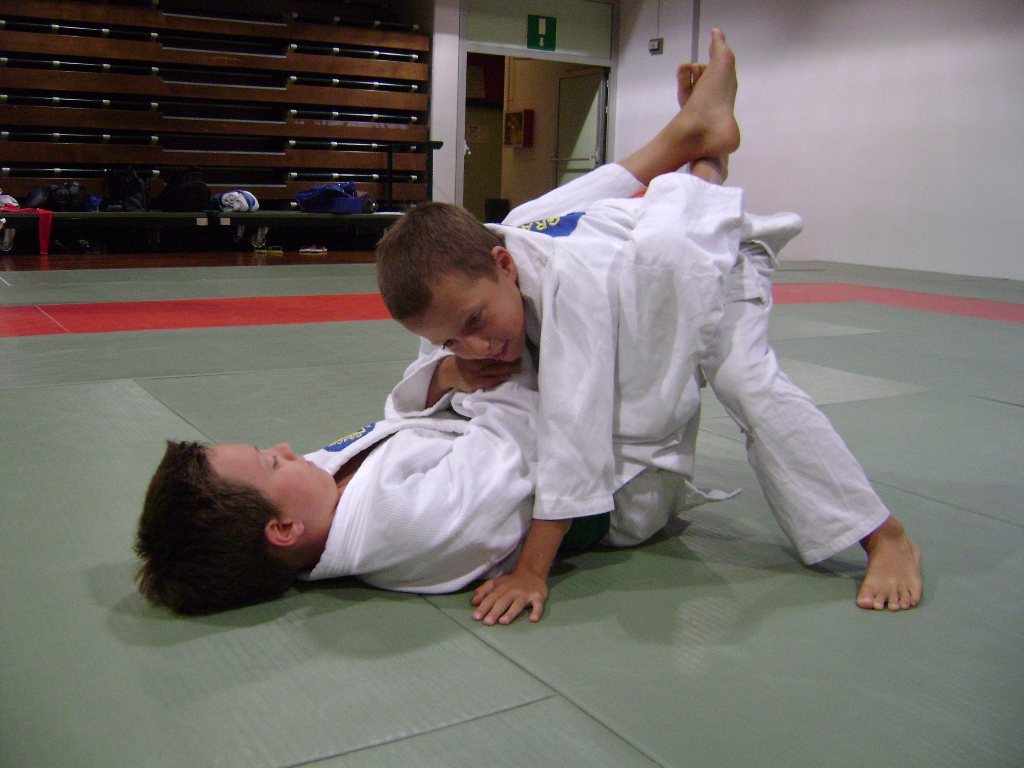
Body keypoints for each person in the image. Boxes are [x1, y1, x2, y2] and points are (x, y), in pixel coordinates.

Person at [375, 29, 922, 626]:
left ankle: (885, 535)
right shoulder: (496, 254)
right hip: (648, 260)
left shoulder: (570, 287)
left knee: (744, 381)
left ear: (504, 263)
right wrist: (449, 369)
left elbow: (575, 431)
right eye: (451, 339)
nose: (475, 345)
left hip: (715, 259)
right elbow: (612, 181)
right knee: (580, 232)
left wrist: (532, 569)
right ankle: (693, 133)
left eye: (476, 323)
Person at [136, 356, 725, 615]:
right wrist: (477, 364)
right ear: (284, 529)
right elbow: (523, 445)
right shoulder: (403, 526)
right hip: (625, 477)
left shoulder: (316, 497)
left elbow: (401, 421)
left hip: (540, 429)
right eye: (270, 462)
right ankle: (699, 181)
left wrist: (447, 373)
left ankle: (689, 180)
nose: (287, 449)